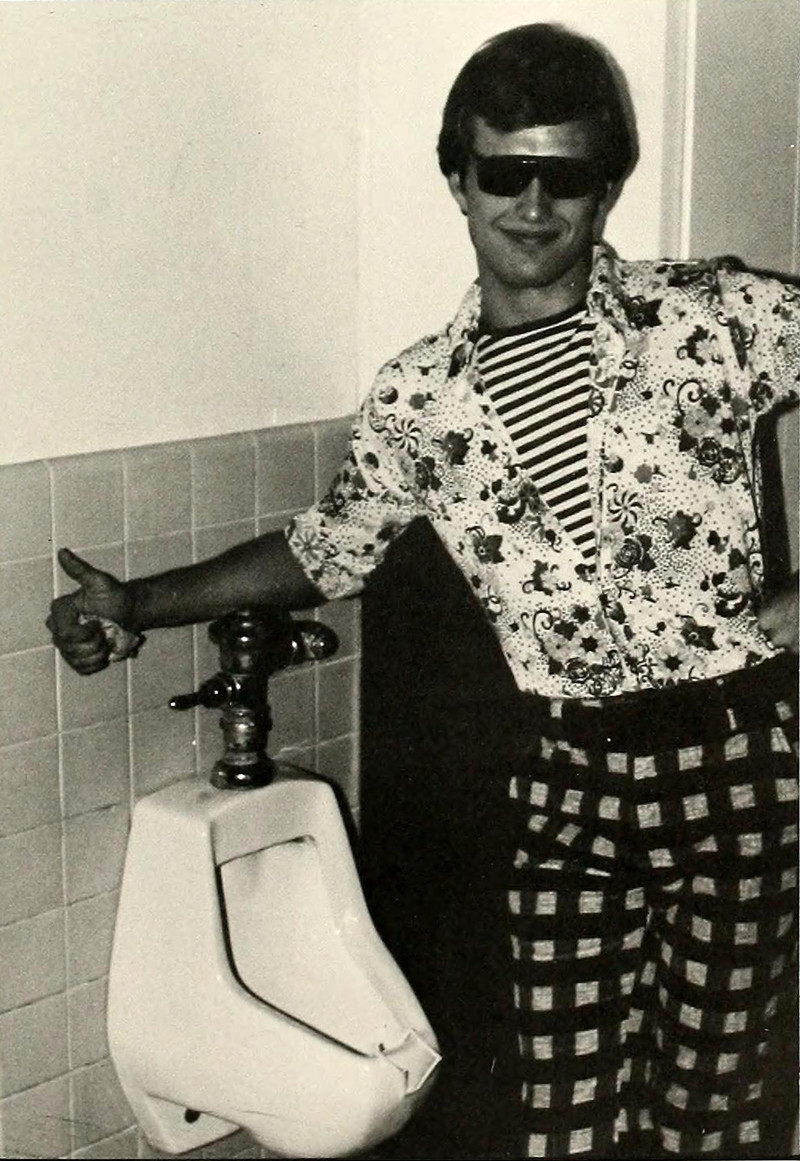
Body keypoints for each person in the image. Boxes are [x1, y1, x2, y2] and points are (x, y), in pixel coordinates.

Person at [48, 23, 798, 1161]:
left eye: (566, 176)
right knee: (562, 1118)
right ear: (458, 179)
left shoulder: (714, 318)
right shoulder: (418, 399)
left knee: (718, 1114)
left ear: (605, 188)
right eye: (504, 171)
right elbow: (326, 549)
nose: (533, 205)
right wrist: (137, 603)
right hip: (564, 780)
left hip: (733, 763)